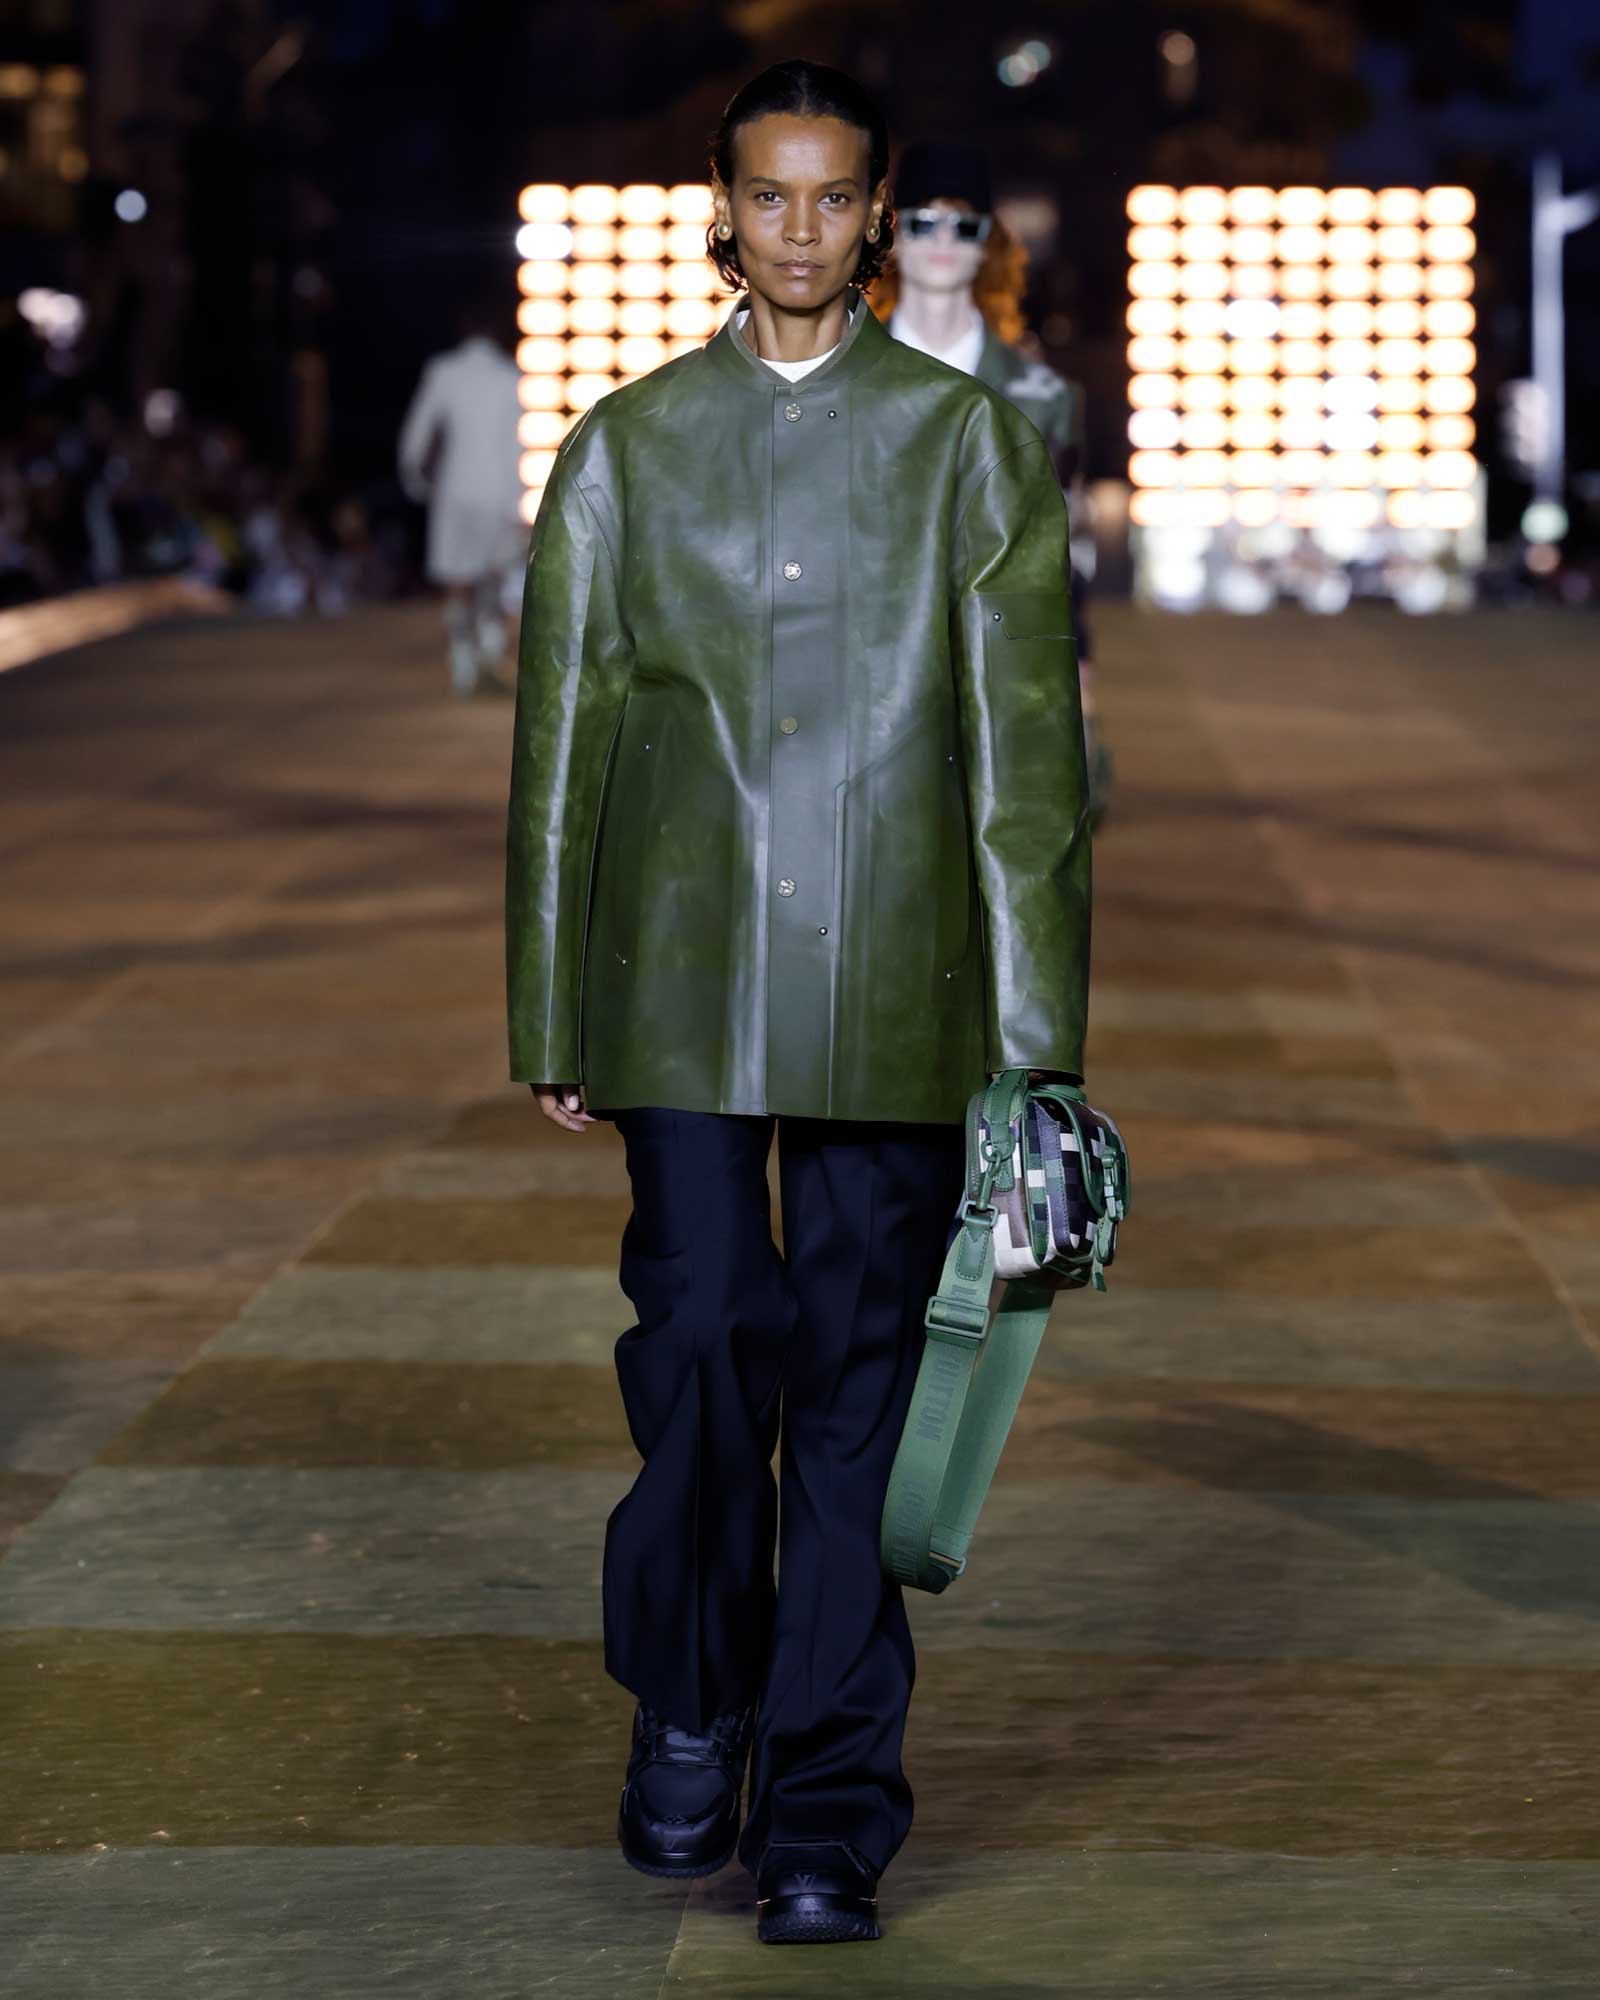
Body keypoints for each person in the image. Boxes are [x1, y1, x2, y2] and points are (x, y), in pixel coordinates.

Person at [505, 60, 1091, 1946]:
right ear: (722, 204)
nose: (805, 229)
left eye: (839, 196)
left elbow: (1026, 763)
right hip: (677, 976)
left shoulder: (965, 444)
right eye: (773, 193)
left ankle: (827, 1807)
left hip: (899, 974)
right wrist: (549, 1004)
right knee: (695, 1344)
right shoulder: (626, 448)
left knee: (855, 1389)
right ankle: (691, 1697)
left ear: (880, 211)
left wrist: (1036, 1049)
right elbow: (562, 737)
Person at [874, 141, 1112, 818]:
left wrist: (1078, 677)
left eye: (965, 224)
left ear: (988, 244)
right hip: (867, 678)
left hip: (999, 678)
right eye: (924, 221)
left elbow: (1063, 556)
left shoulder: (1042, 396)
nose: (943, 242)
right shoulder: (842, 383)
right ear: (893, 236)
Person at [398, 301, 524, 695]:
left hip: (454, 491)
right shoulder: (511, 376)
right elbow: (518, 444)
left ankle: (462, 662)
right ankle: (489, 651)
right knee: (493, 575)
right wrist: (521, 499)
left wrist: (415, 481)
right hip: (499, 492)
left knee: (459, 579)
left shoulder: (443, 371)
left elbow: (417, 433)